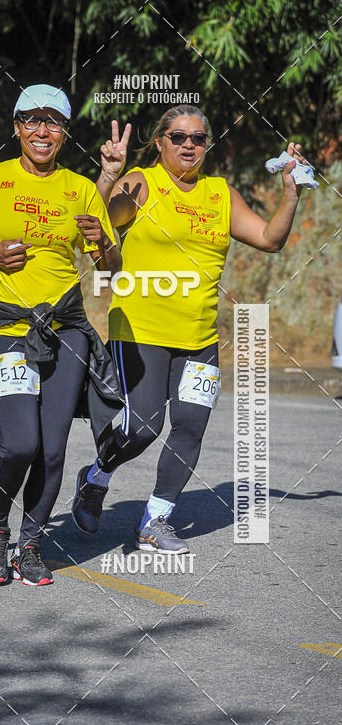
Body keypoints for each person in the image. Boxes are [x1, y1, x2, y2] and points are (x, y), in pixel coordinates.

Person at [72, 105, 310, 553]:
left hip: (199, 337)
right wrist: (108, 175)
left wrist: (291, 194)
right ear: (160, 142)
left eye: (198, 138)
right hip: (140, 330)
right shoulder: (142, 182)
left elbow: (270, 239)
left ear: (206, 145)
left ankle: (154, 521)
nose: (188, 145)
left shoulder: (220, 194)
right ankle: (95, 478)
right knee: (142, 428)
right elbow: (102, 217)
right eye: (178, 136)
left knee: (190, 427)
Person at [0, 85, 123, 586]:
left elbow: (110, 269)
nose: (42, 131)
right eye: (32, 121)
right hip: (3, 327)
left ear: (64, 133)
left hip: (66, 330)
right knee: (20, 443)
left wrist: (101, 241)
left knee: (53, 450)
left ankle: (30, 543)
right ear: (16, 127)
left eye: (53, 122)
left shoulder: (80, 188)